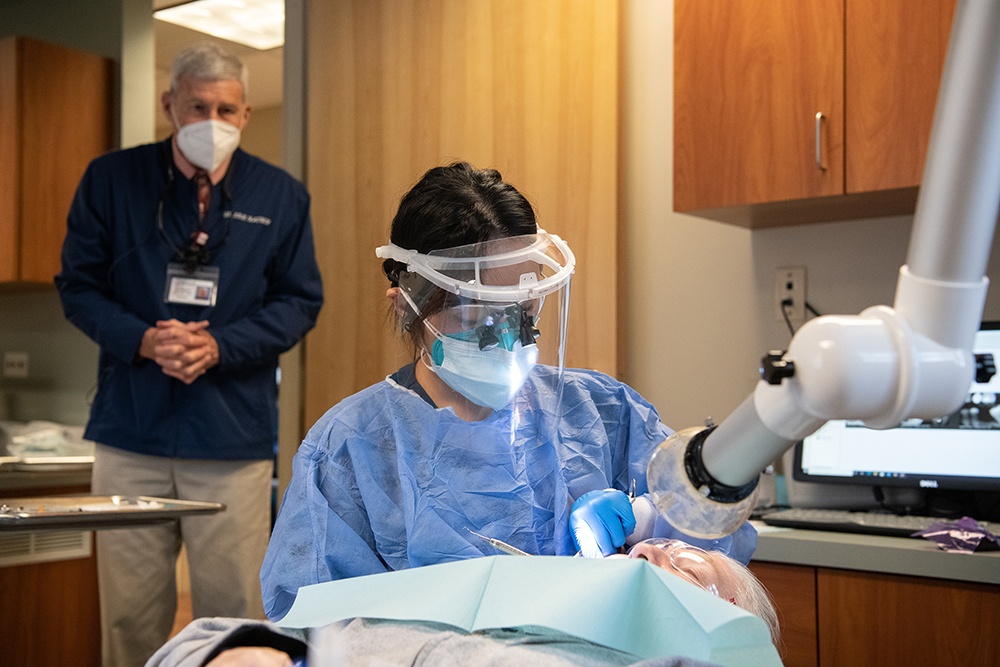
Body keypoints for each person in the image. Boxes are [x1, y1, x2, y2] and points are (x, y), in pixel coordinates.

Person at [259, 162, 756, 623]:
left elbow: (718, 540)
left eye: (520, 308)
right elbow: (317, 623)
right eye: (476, 313)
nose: (505, 335)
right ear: (408, 304)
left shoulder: (600, 412)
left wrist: (645, 521)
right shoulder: (351, 448)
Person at [55, 42, 323, 666]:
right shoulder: (111, 180)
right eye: (197, 105)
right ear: (169, 104)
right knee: (128, 616)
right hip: (131, 433)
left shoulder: (281, 195)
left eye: (226, 109)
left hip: (230, 439)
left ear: (247, 114)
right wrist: (144, 340)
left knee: (235, 617)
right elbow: (78, 285)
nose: (212, 121)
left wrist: (220, 346)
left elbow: (299, 301)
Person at [148, 538, 780, 666]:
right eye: (648, 544)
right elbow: (196, 640)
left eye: (689, 566)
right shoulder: (482, 617)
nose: (647, 554)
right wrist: (250, 652)